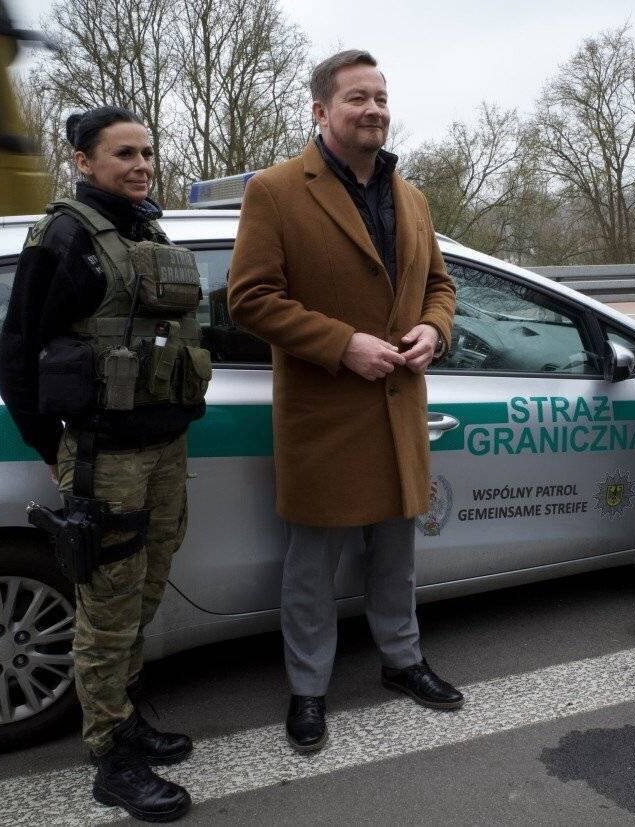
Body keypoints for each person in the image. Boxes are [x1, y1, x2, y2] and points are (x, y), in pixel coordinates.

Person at [228, 49, 460, 753]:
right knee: (311, 570)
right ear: (321, 110)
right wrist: (343, 344)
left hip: (399, 408)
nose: (373, 110)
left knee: (396, 556)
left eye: (380, 98)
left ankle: (402, 660)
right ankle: (308, 688)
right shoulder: (275, 190)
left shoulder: (411, 196)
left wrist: (433, 329)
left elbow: (441, 286)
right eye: (357, 97)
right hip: (325, 413)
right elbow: (250, 298)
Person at [0, 106, 209, 821]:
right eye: (124, 153)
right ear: (84, 162)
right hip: (104, 454)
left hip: (164, 447)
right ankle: (110, 756)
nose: (142, 164)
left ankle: (126, 715)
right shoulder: (62, 236)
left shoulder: (147, 230)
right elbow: (17, 356)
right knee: (108, 605)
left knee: (144, 589)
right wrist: (56, 448)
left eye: (147, 151)